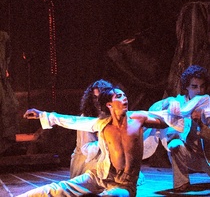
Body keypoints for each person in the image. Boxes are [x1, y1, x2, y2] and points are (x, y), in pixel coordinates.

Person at [19, 86, 169, 197]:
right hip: (99, 175)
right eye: (119, 96)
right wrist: (42, 115)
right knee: (59, 189)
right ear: (109, 105)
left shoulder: (138, 119)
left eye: (124, 95)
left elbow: (165, 119)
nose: (124, 98)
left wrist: (179, 111)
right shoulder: (103, 125)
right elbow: (74, 121)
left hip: (124, 185)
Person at [146, 65, 210, 192]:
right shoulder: (178, 103)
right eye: (194, 86)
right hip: (190, 156)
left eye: (202, 86)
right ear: (186, 87)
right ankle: (182, 183)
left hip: (208, 158)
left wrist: (201, 124)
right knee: (175, 144)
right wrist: (167, 103)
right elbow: (154, 109)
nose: (199, 91)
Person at [69, 79, 113, 179]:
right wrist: (109, 142)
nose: (97, 101)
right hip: (87, 158)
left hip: (106, 154)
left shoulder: (112, 114)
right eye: (94, 98)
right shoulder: (85, 117)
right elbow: (86, 147)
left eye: (100, 97)